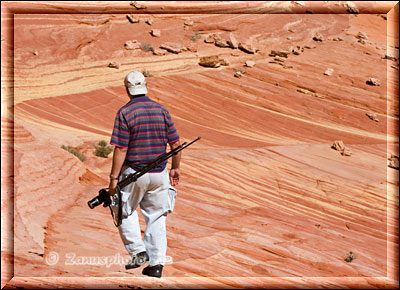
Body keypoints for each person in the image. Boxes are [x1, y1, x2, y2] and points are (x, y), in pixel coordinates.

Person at [108, 71, 181, 278]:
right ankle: (156, 265)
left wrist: (113, 179)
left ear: (126, 89)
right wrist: (176, 167)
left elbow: (121, 148)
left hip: (134, 173)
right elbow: (176, 143)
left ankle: (138, 251)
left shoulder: (125, 112)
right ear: (145, 85)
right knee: (157, 217)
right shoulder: (161, 110)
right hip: (160, 173)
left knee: (123, 208)